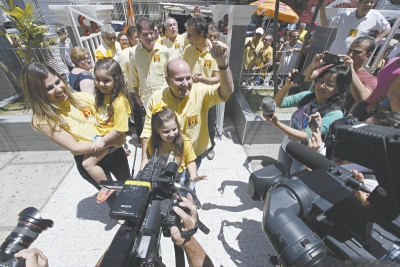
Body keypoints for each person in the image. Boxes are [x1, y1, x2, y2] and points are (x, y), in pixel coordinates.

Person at [21, 62, 129, 206]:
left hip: (114, 151)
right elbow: (75, 147)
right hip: (91, 158)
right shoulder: (44, 119)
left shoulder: (83, 98)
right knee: (111, 195)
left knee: (129, 184)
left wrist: (119, 136)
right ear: (38, 94)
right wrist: (110, 143)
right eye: (49, 88)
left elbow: (111, 118)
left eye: (58, 82)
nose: (59, 89)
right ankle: (122, 217)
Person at [140, 41, 233, 174]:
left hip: (193, 156)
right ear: (167, 80)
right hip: (165, 154)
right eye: (179, 80)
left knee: (188, 187)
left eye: (188, 78)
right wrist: (144, 159)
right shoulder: (156, 98)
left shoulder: (200, 91)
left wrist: (222, 63)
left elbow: (227, 91)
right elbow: (147, 131)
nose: (185, 84)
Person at [265, 65, 351, 174]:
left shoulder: (335, 113)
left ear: (339, 89)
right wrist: (286, 86)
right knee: (281, 174)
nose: (322, 86)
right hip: (287, 145)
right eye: (320, 80)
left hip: (306, 154)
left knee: (295, 183)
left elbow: (305, 136)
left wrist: (276, 123)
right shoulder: (308, 96)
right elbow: (278, 103)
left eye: (330, 84)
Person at [82, 58, 131, 203]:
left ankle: (106, 186)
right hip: (100, 137)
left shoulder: (119, 101)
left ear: (116, 80)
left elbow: (121, 128)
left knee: (87, 164)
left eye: (106, 80)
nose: (101, 84)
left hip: (109, 139)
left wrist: (103, 140)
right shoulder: (103, 96)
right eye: (97, 79)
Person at [303, 37, 377, 115]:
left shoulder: (369, 79)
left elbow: (361, 98)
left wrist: (350, 69)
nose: (350, 55)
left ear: (368, 55)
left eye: (357, 52)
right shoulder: (336, 67)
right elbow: (306, 77)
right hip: (312, 110)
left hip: (334, 118)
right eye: (350, 50)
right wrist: (314, 64)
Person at [144, 103, 207, 191]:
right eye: (166, 131)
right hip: (162, 175)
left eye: (174, 129)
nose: (172, 134)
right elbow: (152, 159)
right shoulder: (153, 142)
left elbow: (190, 161)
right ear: (157, 130)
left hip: (181, 174)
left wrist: (193, 175)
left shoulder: (184, 141)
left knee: (185, 195)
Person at [183, 17, 220, 161]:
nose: (188, 37)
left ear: (202, 34)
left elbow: (217, 77)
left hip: (209, 97)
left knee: (210, 126)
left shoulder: (214, 52)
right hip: (191, 96)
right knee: (192, 123)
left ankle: (210, 147)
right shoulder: (188, 50)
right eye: (188, 33)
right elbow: (184, 72)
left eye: (191, 34)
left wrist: (203, 79)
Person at [128, 18, 169, 140]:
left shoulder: (164, 50)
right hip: (146, 97)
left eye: (151, 33)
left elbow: (168, 74)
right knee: (152, 122)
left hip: (163, 95)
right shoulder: (133, 52)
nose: (149, 36)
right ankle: (155, 144)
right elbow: (134, 76)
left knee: (165, 121)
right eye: (145, 34)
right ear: (139, 36)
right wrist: (137, 95)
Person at [320, 0, 391, 55]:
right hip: (333, 54)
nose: (369, 5)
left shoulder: (375, 16)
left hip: (351, 59)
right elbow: (325, 23)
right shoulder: (345, 16)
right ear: (358, 3)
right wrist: (322, 7)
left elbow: (387, 28)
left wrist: (375, 41)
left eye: (372, 2)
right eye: (366, 2)